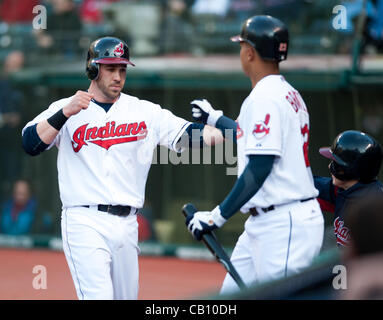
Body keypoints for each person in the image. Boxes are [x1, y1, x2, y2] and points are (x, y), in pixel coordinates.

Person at [21, 36, 215, 300]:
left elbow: (189, 135)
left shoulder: (143, 110)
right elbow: (30, 143)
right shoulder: (66, 108)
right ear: (93, 69)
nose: (118, 76)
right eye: (110, 68)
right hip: (84, 219)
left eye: (122, 69)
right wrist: (64, 114)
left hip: (127, 223)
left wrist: (231, 129)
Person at [186, 15, 324, 294]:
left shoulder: (265, 98)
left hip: (284, 221)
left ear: (249, 52)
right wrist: (214, 118)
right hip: (267, 221)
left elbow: (260, 165)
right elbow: (245, 133)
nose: (240, 52)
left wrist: (216, 217)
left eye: (241, 47)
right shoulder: (285, 91)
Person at [314, 130, 383, 247]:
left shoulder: (374, 206)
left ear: (351, 170)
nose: (329, 166)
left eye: (335, 163)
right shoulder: (343, 189)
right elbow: (310, 185)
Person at [0, 51, 24, 198]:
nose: (14, 68)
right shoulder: (3, 83)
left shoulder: (23, 86)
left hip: (17, 143)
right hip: (3, 137)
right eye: (12, 64)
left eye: (18, 65)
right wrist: (5, 118)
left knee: (14, 179)